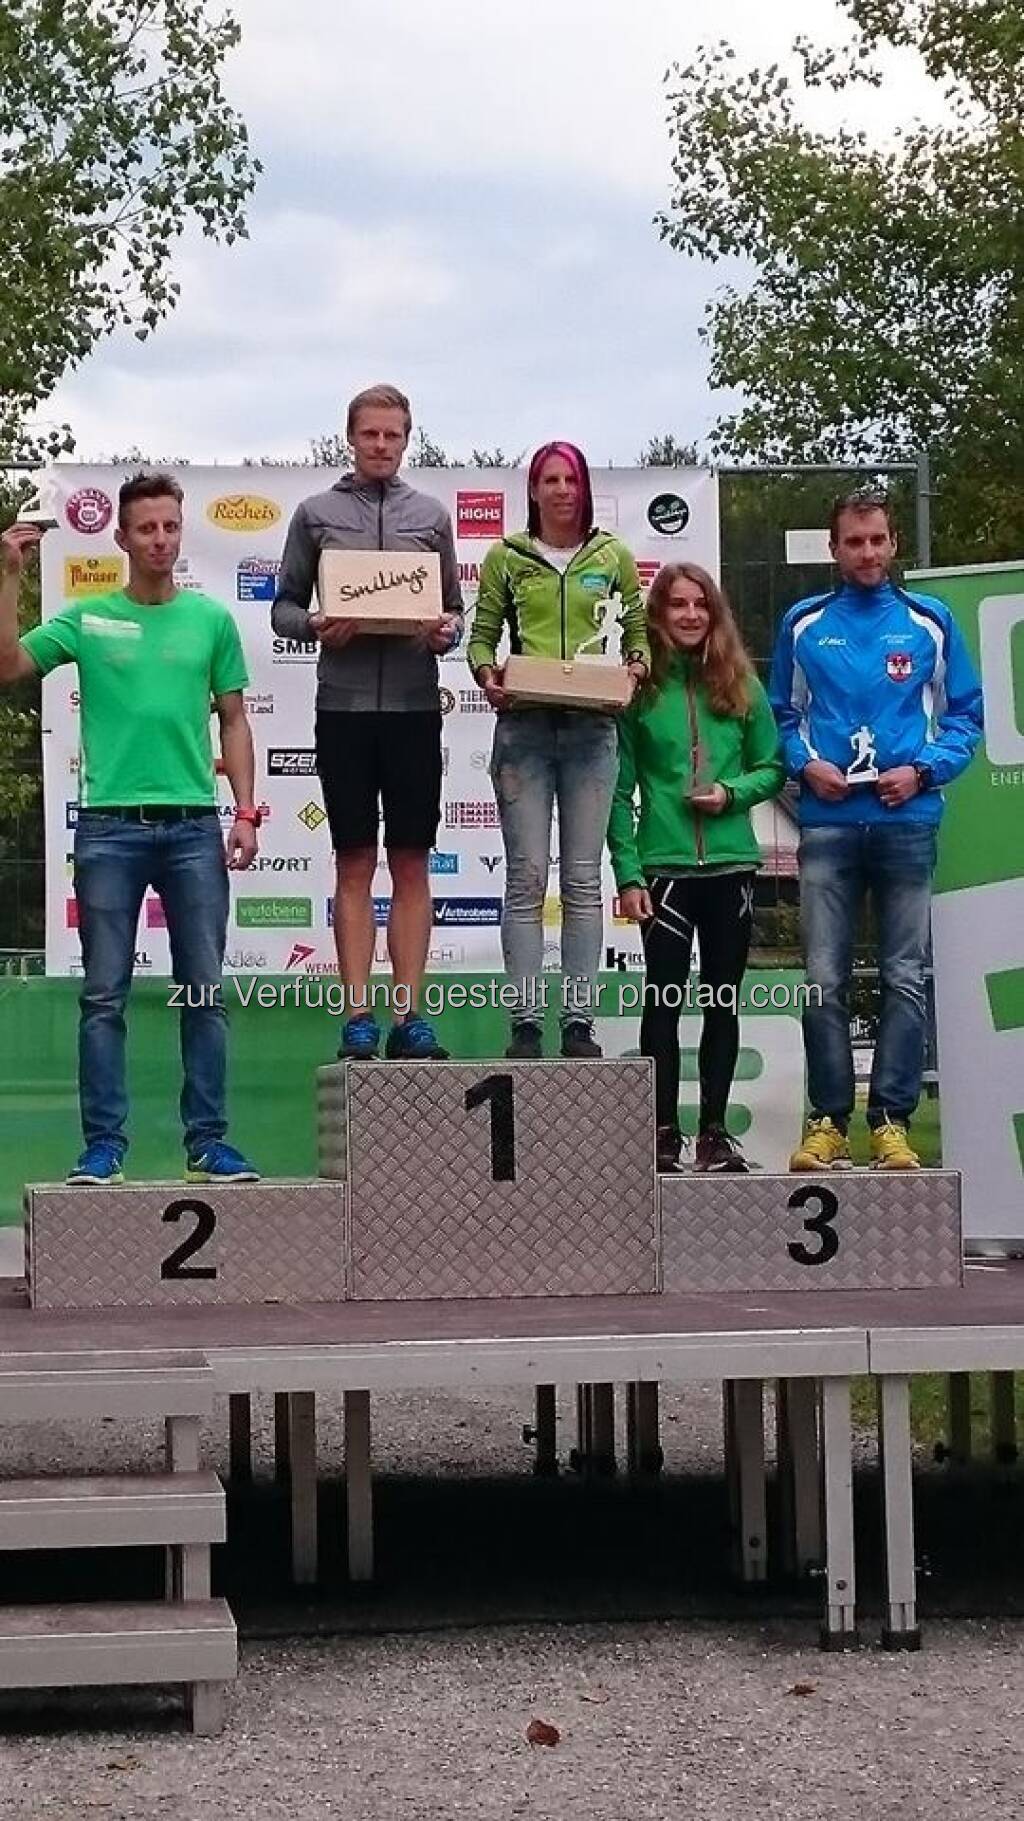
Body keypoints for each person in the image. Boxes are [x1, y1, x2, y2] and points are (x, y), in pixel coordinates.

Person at [0, 472, 261, 1185]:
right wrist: (9, 575)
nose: (160, 539)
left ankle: (208, 1143)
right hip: (108, 829)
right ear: (120, 537)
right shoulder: (88, 619)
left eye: (170, 526)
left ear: (181, 532)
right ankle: (103, 1147)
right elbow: (8, 663)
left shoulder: (210, 621)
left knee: (203, 991)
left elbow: (235, 719)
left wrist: (245, 810)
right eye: (146, 528)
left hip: (193, 827)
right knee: (103, 995)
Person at [769, 486, 983, 1171]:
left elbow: (965, 716)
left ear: (893, 544)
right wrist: (806, 765)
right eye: (854, 541)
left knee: (905, 976)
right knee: (823, 978)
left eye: (877, 540)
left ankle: (892, 1122)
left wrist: (923, 770)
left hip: (906, 820)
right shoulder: (803, 622)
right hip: (828, 824)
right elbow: (780, 715)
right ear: (833, 548)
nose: (867, 552)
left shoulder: (930, 620)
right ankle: (829, 1122)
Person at [272, 383, 463, 1061]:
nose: (381, 445)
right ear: (350, 438)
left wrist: (445, 633)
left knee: (410, 859)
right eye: (370, 434)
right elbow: (283, 608)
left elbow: (452, 609)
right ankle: (357, 1013)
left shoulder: (430, 516)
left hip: (414, 708)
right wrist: (317, 625)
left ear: (408, 439)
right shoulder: (315, 513)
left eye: (393, 434)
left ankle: (409, 1015)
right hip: (343, 710)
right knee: (353, 858)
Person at [467, 441, 650, 1058]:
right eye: (550, 480)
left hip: (591, 729)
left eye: (571, 479)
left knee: (581, 879)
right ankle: (524, 1021)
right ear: (534, 490)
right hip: (524, 727)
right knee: (525, 878)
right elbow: (482, 637)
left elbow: (638, 631)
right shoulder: (507, 556)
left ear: (584, 487)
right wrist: (487, 676)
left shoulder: (613, 555)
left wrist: (635, 668)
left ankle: (578, 1022)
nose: (562, 491)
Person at [608, 563, 785, 1172]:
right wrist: (628, 873)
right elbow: (618, 792)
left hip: (731, 866)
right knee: (662, 1001)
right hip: (665, 868)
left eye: (700, 604)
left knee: (721, 1002)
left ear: (715, 613)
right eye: (677, 604)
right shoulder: (640, 691)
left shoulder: (741, 683)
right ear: (658, 614)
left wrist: (730, 794)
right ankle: (662, 1132)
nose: (690, 615)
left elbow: (772, 767)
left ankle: (714, 1132)